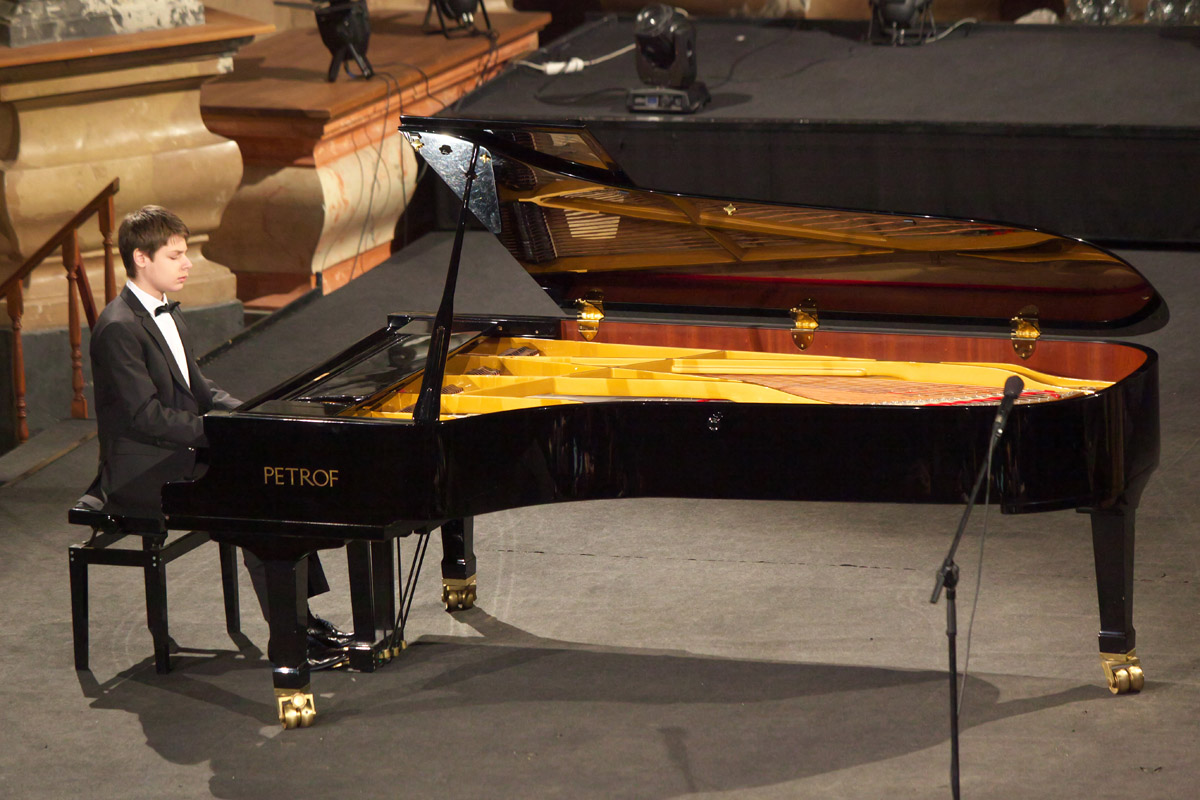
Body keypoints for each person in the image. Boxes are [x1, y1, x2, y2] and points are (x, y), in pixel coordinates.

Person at [87, 205, 350, 668]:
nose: (187, 264)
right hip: (142, 470)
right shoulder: (118, 328)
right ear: (141, 259)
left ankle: (301, 620)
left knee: (278, 477)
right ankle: (289, 636)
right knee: (256, 497)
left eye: (185, 254)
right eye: (175, 256)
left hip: (179, 451)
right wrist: (221, 433)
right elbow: (146, 417)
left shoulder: (168, 313)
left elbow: (200, 390)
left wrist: (251, 416)